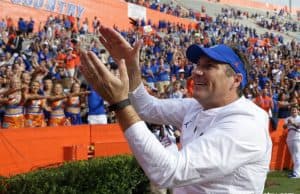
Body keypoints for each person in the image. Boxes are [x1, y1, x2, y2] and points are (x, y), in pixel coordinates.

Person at [79, 25, 272, 193]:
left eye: (209, 66)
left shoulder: (246, 125)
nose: (196, 71)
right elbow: (146, 107)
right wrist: (131, 68)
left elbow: (169, 172)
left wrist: (120, 104)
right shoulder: (196, 108)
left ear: (235, 80)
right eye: (198, 65)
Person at [283, 106, 300, 179]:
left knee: (297, 155)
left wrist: (292, 123)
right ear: (290, 111)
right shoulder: (287, 118)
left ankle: (297, 173)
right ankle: (296, 172)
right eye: (292, 110)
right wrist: (287, 124)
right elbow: (284, 127)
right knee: (294, 156)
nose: (294, 111)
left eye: (295, 110)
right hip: (289, 138)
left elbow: (298, 127)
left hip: (297, 137)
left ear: (298, 111)